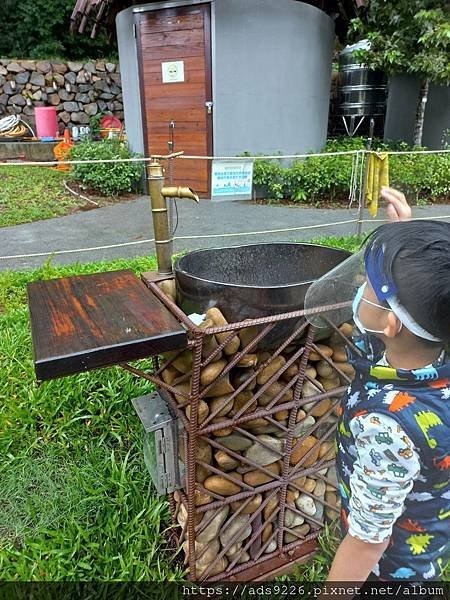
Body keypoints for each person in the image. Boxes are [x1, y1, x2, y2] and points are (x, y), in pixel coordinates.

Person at [326, 187, 450, 582]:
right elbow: (421, 304)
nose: (361, 285)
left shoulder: (386, 429)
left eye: (369, 284)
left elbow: (368, 541)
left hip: (392, 571)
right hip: (430, 541)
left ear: (389, 324)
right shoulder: (428, 353)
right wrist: (408, 248)